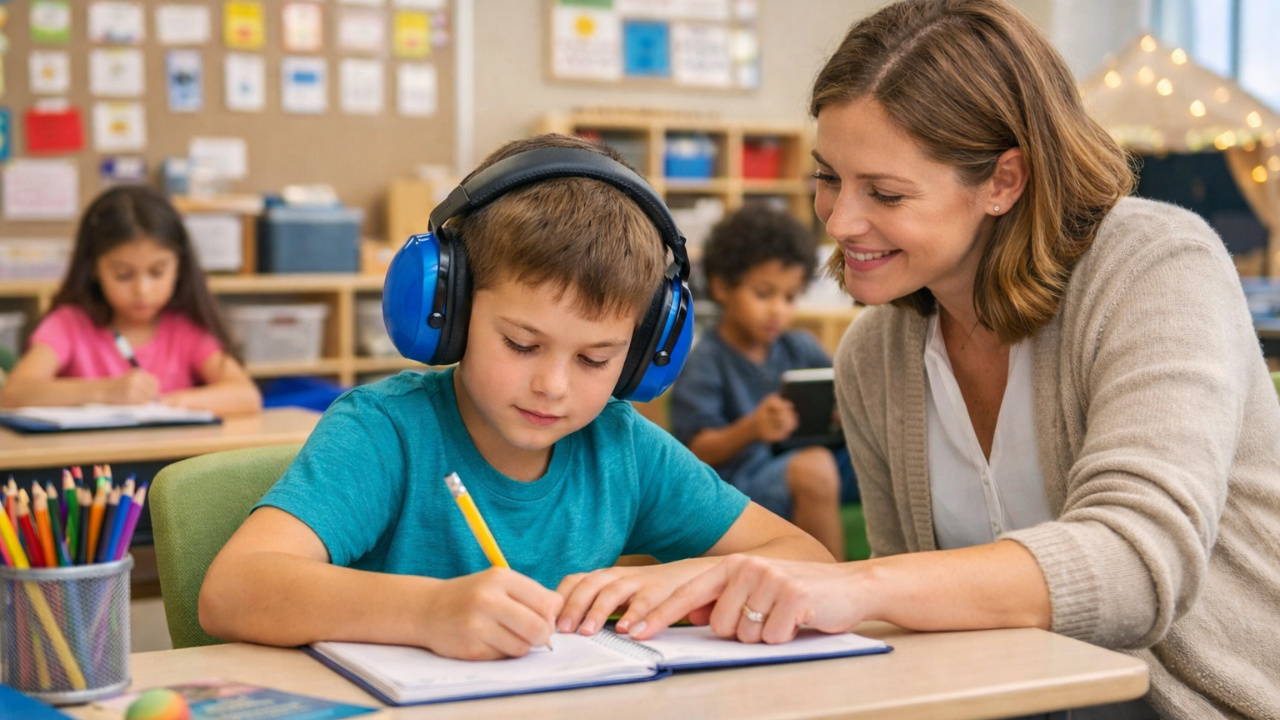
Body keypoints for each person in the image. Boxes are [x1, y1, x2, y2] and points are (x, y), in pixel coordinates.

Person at [626, 2, 1280, 718]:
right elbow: (922, 638)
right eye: (828, 177)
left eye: (885, 192)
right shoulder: (875, 355)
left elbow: (1135, 566)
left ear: (1004, 181)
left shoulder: (1156, 269)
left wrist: (860, 584)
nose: (839, 222)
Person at [198, 134, 831, 661]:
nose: (553, 386)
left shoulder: (622, 447)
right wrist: (430, 611)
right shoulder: (385, 432)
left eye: (594, 358)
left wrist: (681, 577)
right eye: (522, 344)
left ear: (641, 355)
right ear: (449, 312)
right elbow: (233, 590)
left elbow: (808, 560)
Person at [671, 205, 858, 560]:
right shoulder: (707, 361)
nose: (777, 310)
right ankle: (836, 582)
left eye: (789, 297)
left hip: (808, 459)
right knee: (814, 467)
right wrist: (753, 427)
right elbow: (695, 451)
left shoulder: (800, 345)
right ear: (722, 287)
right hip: (740, 481)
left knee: (884, 458)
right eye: (763, 294)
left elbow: (839, 394)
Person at [0, 186, 261, 416]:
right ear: (93, 268)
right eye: (123, 274)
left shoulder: (185, 328)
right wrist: (105, 392)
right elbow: (13, 394)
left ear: (179, 266)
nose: (143, 291)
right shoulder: (68, 325)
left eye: (157, 272)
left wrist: (169, 403)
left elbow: (246, 395)